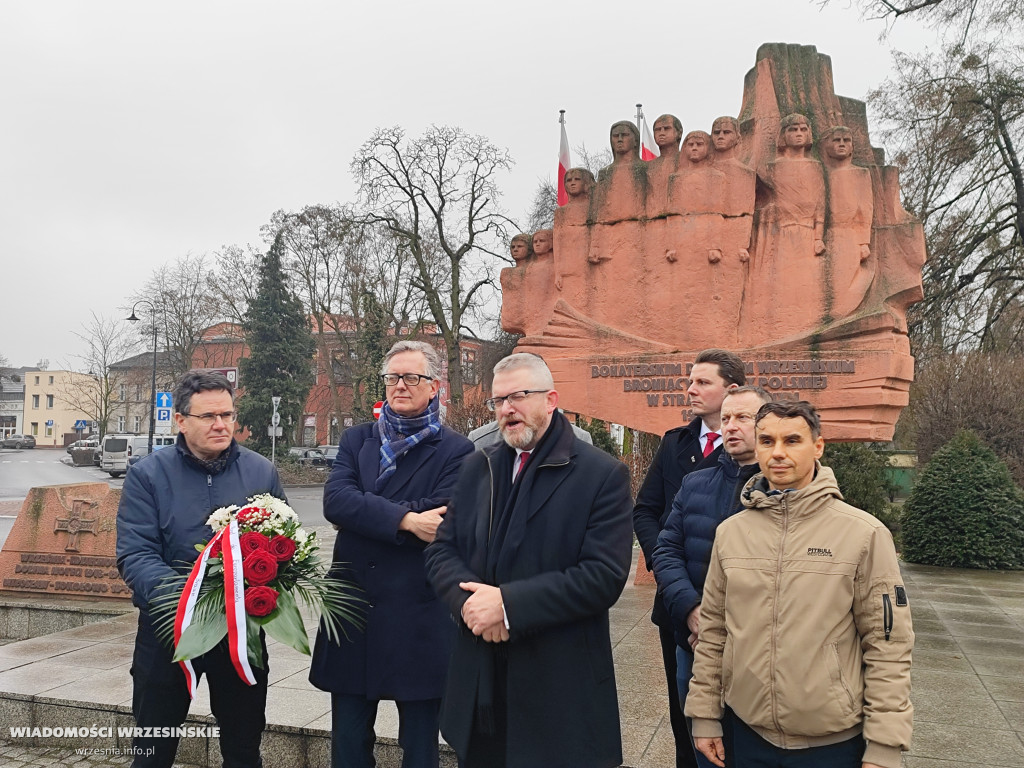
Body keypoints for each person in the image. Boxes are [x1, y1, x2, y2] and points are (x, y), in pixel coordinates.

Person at [426, 353, 633, 768]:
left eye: (518, 396)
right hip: (481, 683)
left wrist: (507, 606)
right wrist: (469, 604)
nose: (507, 409)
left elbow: (602, 576)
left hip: (558, 687)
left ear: (551, 398)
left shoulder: (601, 474)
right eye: (498, 401)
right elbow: (441, 549)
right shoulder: (478, 466)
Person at [687, 400, 914, 768]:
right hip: (748, 734)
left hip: (832, 744)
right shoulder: (731, 533)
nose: (778, 453)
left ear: (818, 447)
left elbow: (888, 644)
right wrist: (705, 714)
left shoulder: (863, 534)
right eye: (767, 441)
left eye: (792, 440)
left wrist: (885, 744)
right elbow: (714, 631)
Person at [309, 340, 474, 768]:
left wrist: (367, 515)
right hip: (352, 606)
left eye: (411, 377)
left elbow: (444, 517)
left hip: (416, 610)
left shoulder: (457, 451)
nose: (399, 385)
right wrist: (405, 522)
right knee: (347, 739)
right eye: (392, 377)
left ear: (434, 386)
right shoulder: (357, 439)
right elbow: (336, 501)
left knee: (420, 745)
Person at [116, 370, 285, 767]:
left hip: (239, 633)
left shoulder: (261, 472)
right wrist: (190, 601)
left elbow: (284, 544)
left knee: (243, 749)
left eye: (227, 414)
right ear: (180, 420)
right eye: (209, 416)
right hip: (168, 633)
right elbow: (135, 554)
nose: (221, 424)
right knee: (153, 749)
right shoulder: (148, 476)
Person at [632, 348, 745, 768]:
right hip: (677, 601)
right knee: (684, 712)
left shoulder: (752, 456)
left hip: (734, 606)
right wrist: (666, 564)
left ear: (731, 390)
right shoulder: (674, 442)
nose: (691, 389)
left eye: (702, 382)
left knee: (730, 719)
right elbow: (645, 509)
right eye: (690, 381)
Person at [651, 385, 772, 767]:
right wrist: (690, 609)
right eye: (727, 418)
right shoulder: (695, 483)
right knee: (706, 751)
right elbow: (667, 551)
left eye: (744, 418)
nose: (731, 427)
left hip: (760, 654)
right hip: (696, 646)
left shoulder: (786, 489)